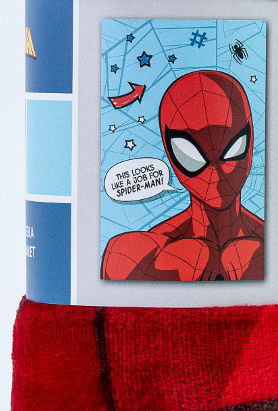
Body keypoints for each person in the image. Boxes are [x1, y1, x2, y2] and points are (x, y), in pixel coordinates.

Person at [102, 70, 264, 281]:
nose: (215, 172)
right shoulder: (140, 256)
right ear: (170, 153)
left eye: (232, 149)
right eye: (191, 155)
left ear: (249, 144)